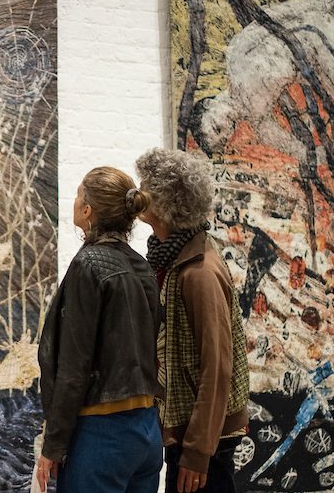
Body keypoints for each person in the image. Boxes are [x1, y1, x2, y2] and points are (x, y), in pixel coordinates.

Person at [37, 166, 163, 492]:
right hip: (146, 431)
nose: (75, 200)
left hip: (103, 433)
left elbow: (73, 365)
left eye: (79, 193)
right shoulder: (141, 266)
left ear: (88, 209)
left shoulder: (89, 263)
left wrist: (53, 445)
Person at [135, 148, 249, 493]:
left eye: (147, 187)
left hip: (204, 436)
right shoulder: (172, 255)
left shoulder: (199, 271)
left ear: (167, 202)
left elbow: (216, 365)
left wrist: (198, 452)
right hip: (186, 426)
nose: (139, 193)